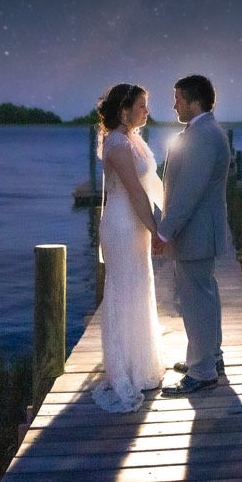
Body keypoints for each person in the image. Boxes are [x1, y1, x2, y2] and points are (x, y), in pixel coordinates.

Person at [91, 83, 166, 413]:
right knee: (125, 290)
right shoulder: (118, 144)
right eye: (141, 106)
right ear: (124, 110)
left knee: (139, 287)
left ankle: (142, 364)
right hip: (123, 224)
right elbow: (135, 193)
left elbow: (151, 187)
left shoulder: (133, 140)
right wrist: (158, 231)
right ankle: (124, 369)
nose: (147, 112)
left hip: (135, 223)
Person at [155, 74, 231, 396]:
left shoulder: (202, 135)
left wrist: (164, 230)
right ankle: (210, 357)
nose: (174, 105)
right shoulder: (205, 131)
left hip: (195, 234)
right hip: (201, 232)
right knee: (205, 296)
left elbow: (189, 192)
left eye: (178, 99)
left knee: (196, 300)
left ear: (194, 101)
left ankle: (202, 372)